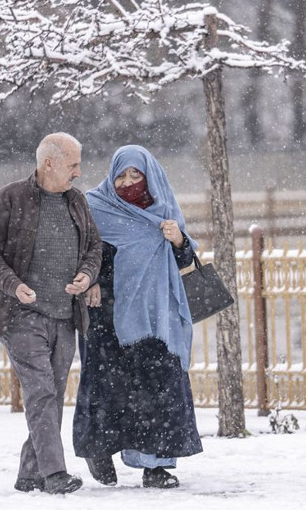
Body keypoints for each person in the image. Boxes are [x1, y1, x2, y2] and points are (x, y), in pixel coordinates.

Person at [0, 132, 102, 494]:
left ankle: (29, 473)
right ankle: (54, 474)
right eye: (73, 164)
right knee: (41, 392)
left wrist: (86, 274)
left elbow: (94, 246)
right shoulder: (10, 198)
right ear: (50, 163)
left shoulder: (76, 201)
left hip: (65, 316)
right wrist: (13, 284)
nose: (79, 172)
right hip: (20, 314)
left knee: (51, 394)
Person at [73, 144, 202, 489]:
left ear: (150, 178)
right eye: (121, 176)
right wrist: (93, 280)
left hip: (155, 317)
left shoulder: (164, 210)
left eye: (135, 176)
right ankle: (99, 450)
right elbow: (83, 250)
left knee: (159, 388)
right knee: (108, 387)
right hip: (108, 315)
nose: (127, 183)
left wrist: (178, 241)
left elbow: (185, 262)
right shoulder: (96, 207)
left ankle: (155, 466)